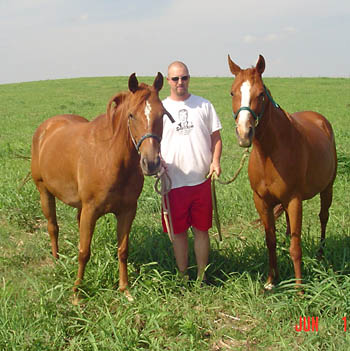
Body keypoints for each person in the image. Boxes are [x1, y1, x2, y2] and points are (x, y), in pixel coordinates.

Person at [161, 61, 222, 282]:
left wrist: (215, 161)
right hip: (172, 183)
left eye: (184, 78)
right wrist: (158, 162)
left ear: (189, 78)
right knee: (177, 232)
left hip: (201, 180)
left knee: (201, 230)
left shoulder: (203, 105)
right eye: (175, 78)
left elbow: (216, 137)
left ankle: (202, 275)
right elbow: (153, 142)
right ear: (168, 80)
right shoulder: (160, 109)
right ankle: (183, 274)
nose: (180, 82)